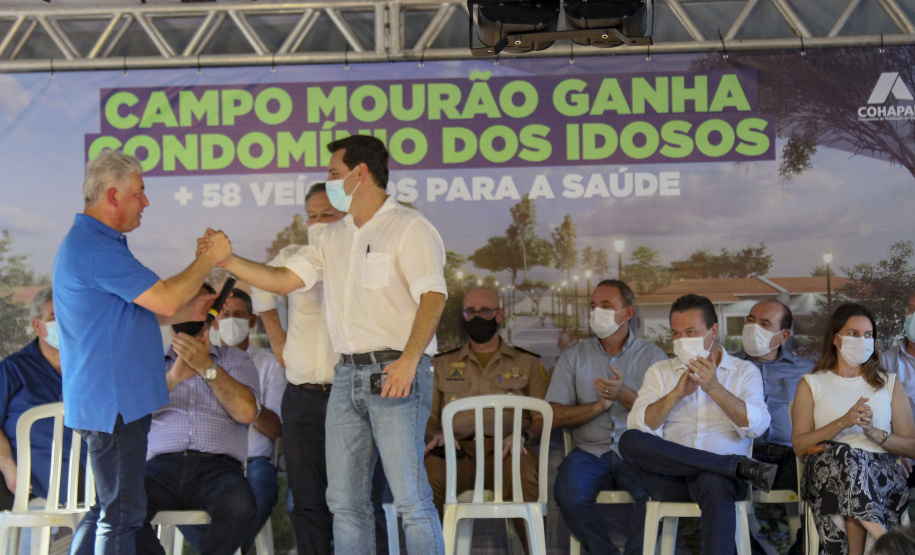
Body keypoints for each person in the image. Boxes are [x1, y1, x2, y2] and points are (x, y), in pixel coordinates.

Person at [209, 135, 447, 554]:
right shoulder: (329, 237)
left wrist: (411, 360)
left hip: (396, 371)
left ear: (361, 174)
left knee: (409, 499)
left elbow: (434, 296)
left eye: (334, 174)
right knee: (344, 503)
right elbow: (282, 280)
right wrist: (228, 260)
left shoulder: (410, 227)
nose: (329, 181)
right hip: (346, 376)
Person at [54, 150, 229, 555]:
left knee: (110, 511)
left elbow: (133, 315)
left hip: (112, 402)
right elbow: (165, 300)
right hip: (113, 405)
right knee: (121, 517)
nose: (146, 202)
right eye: (140, 192)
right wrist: (208, 259)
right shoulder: (96, 249)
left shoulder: (97, 244)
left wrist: (192, 307)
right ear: (113, 195)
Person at [251, 183, 390, 555]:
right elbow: (261, 287)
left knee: (361, 501)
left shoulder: (365, 255)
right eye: (311, 215)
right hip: (302, 396)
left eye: (326, 215)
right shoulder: (294, 256)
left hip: (353, 393)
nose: (316, 222)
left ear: (346, 215)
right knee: (306, 501)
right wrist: (276, 336)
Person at [619, 294, 775, 555]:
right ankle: (734, 466)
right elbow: (640, 424)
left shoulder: (744, 371)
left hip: (721, 484)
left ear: (713, 331)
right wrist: (676, 395)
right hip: (673, 480)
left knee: (713, 480)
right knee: (629, 440)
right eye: (676, 334)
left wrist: (714, 388)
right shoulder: (660, 372)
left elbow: (757, 426)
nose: (681, 340)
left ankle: (726, 468)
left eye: (690, 332)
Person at [546, 279, 667, 555]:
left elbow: (662, 416)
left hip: (639, 452)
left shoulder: (652, 356)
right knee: (569, 494)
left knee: (656, 496)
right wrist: (598, 406)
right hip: (589, 451)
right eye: (593, 306)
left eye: (606, 305)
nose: (596, 312)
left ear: (627, 313)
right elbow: (553, 415)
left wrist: (623, 394)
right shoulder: (572, 358)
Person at [424, 286, 549, 549]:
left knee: (526, 478)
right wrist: (437, 434)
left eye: (485, 311)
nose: (477, 317)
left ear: (500, 314)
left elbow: (542, 419)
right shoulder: (442, 364)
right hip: (457, 453)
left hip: (508, 453)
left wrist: (523, 436)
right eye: (470, 312)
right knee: (428, 476)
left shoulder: (527, 364)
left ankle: (535, 550)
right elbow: (429, 416)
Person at [791, 303, 915, 554]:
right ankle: (889, 544)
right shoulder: (812, 383)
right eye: (853, 334)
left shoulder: (889, 383)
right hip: (826, 474)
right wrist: (842, 423)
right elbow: (799, 446)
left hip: (881, 475)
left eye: (868, 335)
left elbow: (911, 446)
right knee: (846, 457)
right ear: (835, 338)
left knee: (850, 464)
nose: (863, 340)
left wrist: (876, 434)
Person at [180, 289, 284, 553]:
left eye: (238, 315)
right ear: (214, 322)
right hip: (208, 462)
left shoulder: (270, 365)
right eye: (225, 315)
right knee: (172, 491)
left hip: (253, 463)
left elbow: (275, 429)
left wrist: (243, 400)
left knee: (263, 489)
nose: (230, 321)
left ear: (251, 321)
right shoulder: (199, 362)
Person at [0, 287, 83, 509]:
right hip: (23, 474)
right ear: (37, 326)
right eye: (55, 318)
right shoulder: (13, 369)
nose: (65, 324)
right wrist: (8, 467)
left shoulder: (91, 369)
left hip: (84, 474)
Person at [880, 292, 915, 484]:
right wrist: (894, 452)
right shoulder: (885, 361)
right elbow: (877, 416)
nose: (914, 316)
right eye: (911, 310)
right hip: (901, 460)